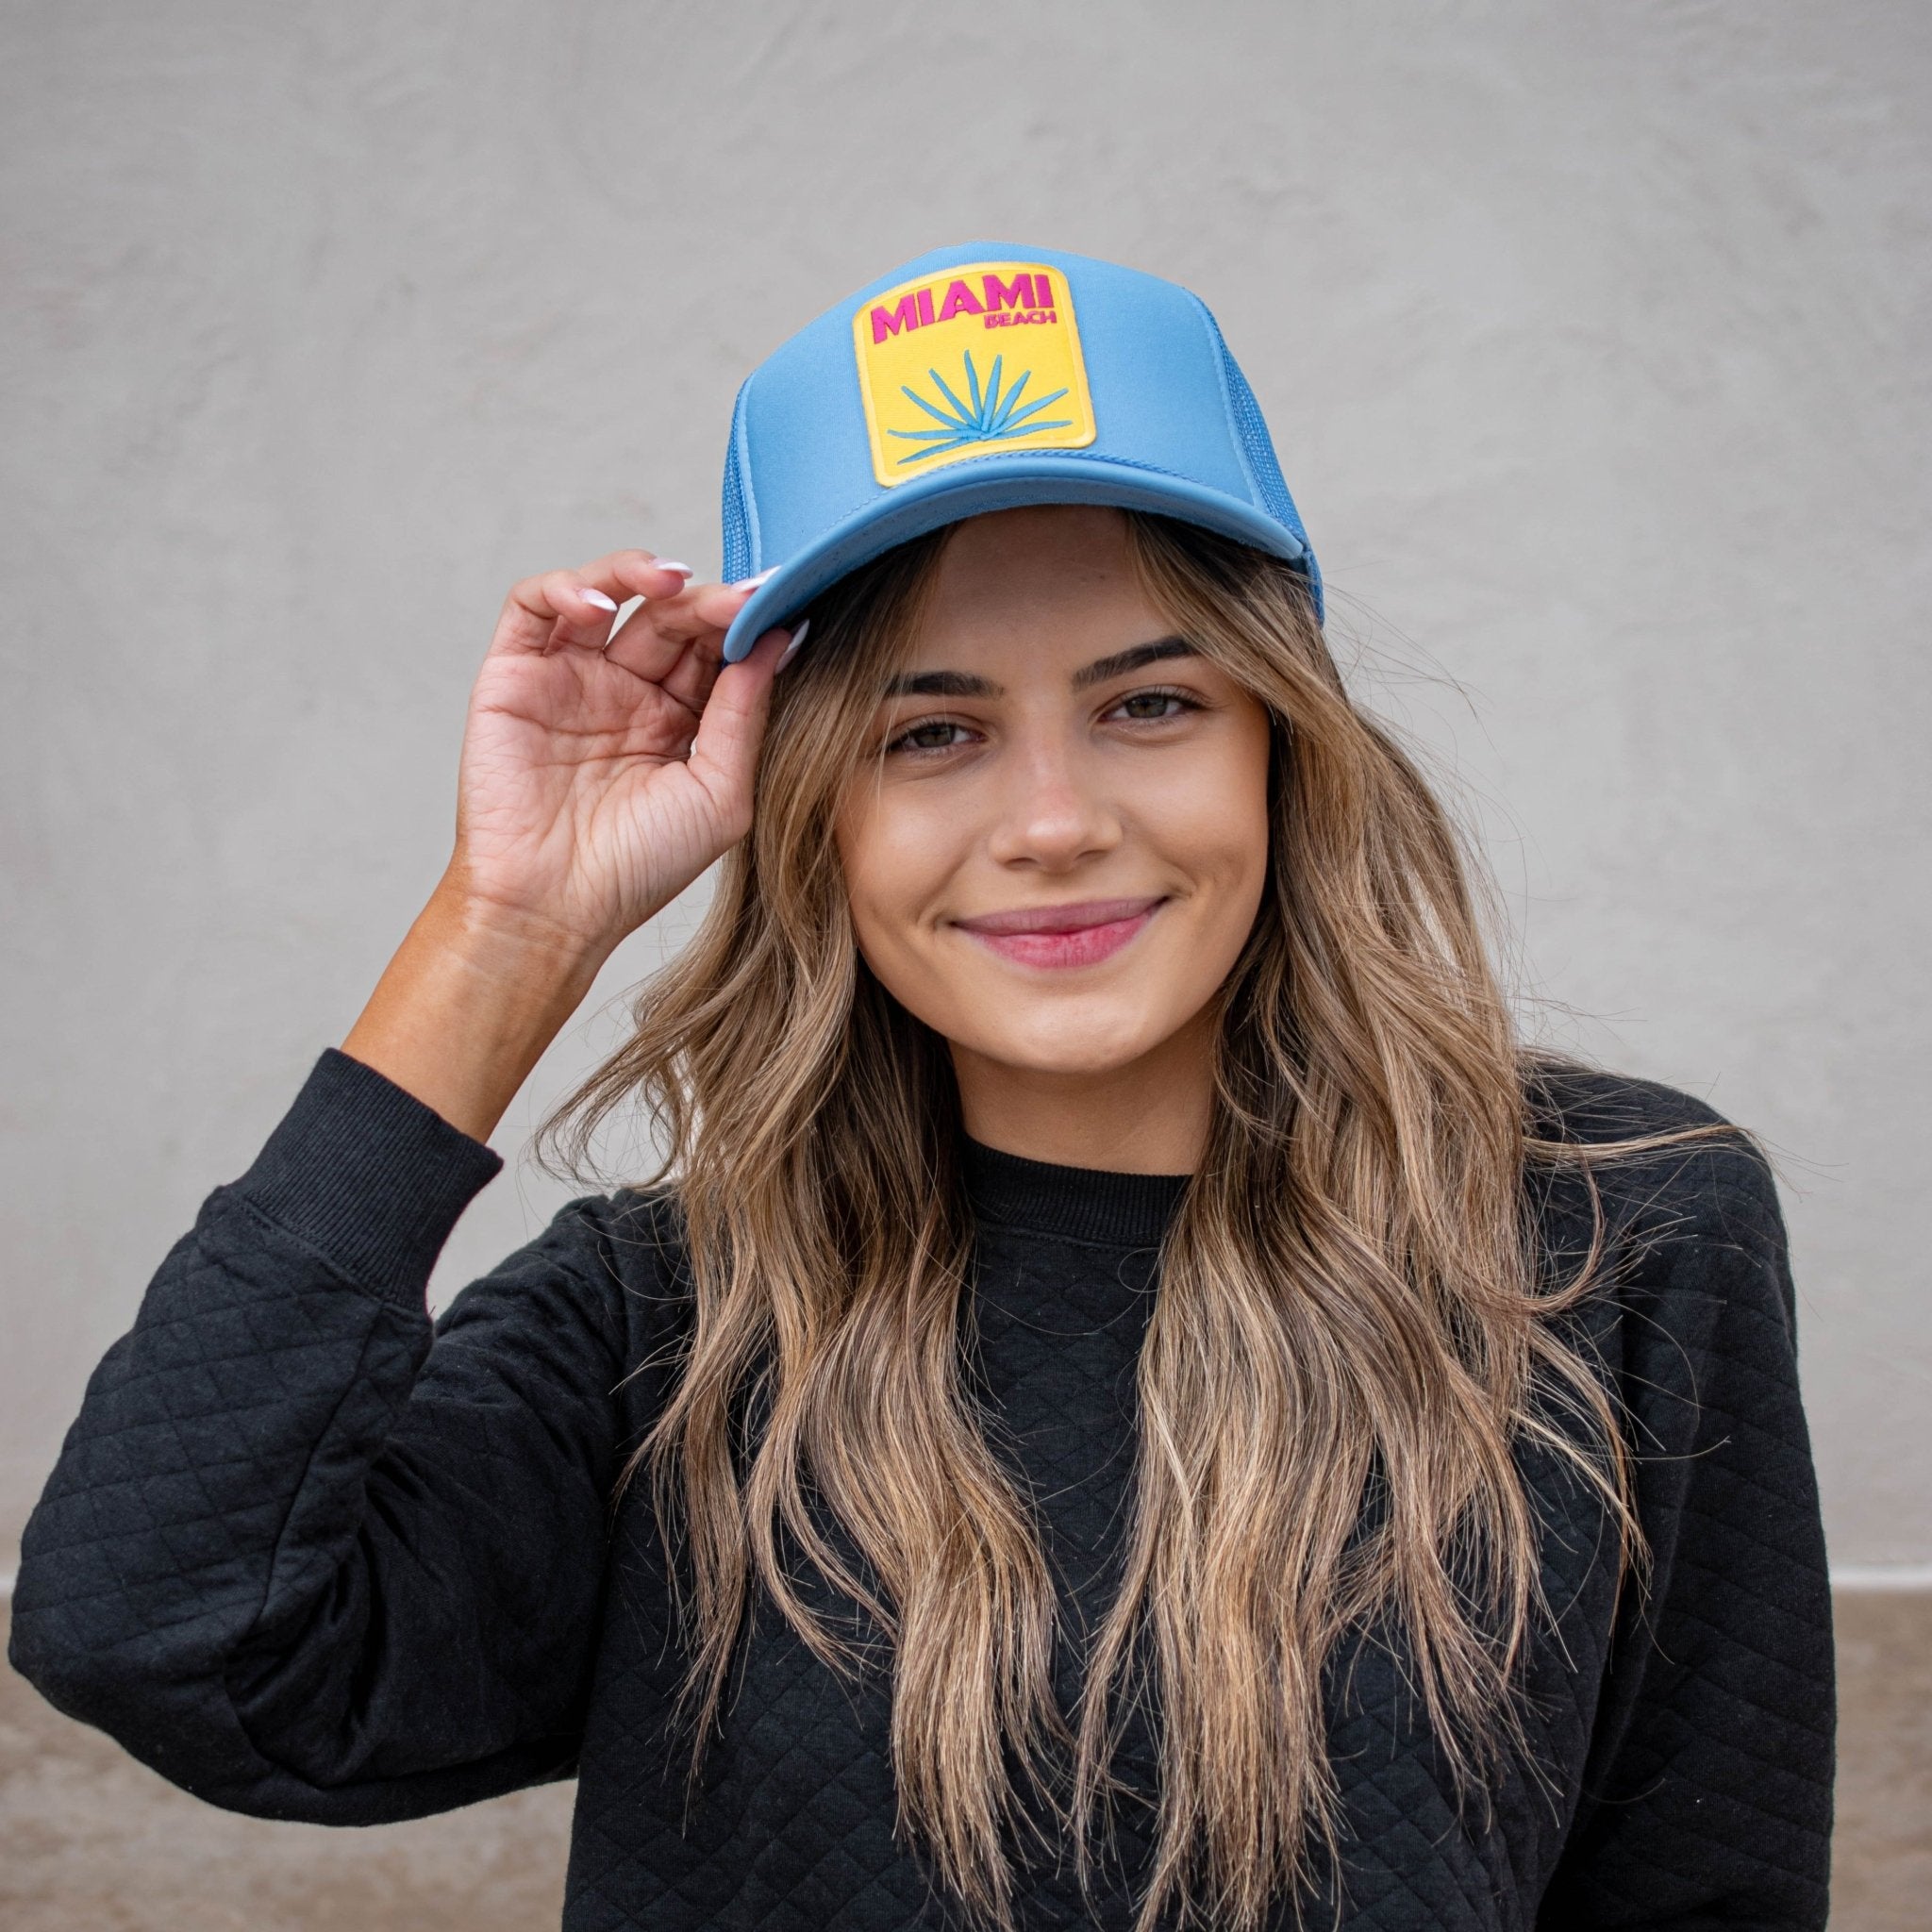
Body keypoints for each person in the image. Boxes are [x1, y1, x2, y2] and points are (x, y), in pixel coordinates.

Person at [8, 245, 1833, 1932]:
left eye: (1150, 703)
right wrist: (506, 930)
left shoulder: (1620, 1239)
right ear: (808, 807)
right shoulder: (667, 1328)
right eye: (931, 731)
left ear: (1283, 745)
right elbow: (158, 1630)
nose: (1051, 823)